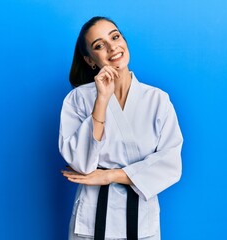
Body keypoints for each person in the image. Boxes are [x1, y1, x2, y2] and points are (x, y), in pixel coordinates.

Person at [59, 16, 183, 240]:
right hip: (92, 220)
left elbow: (171, 164)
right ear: (90, 60)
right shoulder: (77, 99)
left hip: (140, 220)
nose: (112, 47)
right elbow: (80, 163)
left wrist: (110, 176)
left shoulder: (157, 99)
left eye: (115, 37)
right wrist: (102, 101)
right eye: (99, 45)